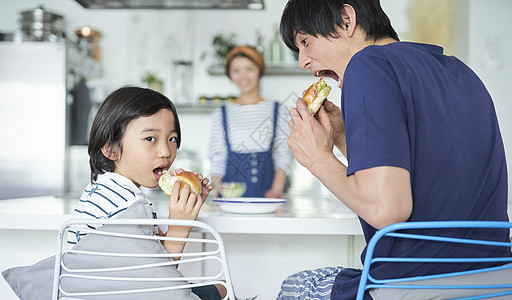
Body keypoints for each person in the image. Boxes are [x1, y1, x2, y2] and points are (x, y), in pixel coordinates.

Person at [276, 0, 511, 299]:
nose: (303, 61)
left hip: (417, 285)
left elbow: (387, 209)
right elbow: (425, 170)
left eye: (306, 41)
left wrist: (317, 159)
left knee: (295, 286)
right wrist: (345, 139)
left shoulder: (366, 65)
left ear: (346, 20)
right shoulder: (460, 71)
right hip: (495, 282)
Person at [67, 86, 226, 300]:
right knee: (224, 289)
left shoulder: (103, 190)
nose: (166, 152)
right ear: (110, 148)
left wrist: (189, 202)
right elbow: (157, 283)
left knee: (221, 288)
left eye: (172, 139)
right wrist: (181, 226)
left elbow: (151, 255)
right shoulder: (131, 207)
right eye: (150, 138)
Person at [208, 45, 292, 198]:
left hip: (268, 195)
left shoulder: (278, 109)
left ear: (259, 70)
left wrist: (276, 191)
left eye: (249, 69)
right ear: (229, 74)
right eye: (236, 71)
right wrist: (215, 193)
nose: (243, 77)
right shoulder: (221, 112)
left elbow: (283, 154)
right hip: (229, 199)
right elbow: (217, 157)